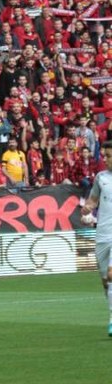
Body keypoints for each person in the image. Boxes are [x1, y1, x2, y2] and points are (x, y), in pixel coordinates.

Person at [80, 141, 112, 335]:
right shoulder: (101, 178)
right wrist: (88, 208)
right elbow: (93, 199)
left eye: (109, 156)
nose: (106, 159)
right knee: (105, 282)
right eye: (105, 156)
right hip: (102, 234)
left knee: (111, 274)